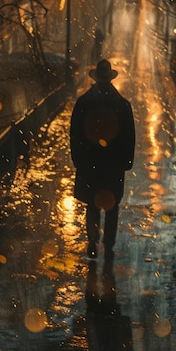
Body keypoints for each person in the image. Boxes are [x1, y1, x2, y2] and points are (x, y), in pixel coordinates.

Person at [70, 59, 135, 258]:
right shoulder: (122, 105)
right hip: (113, 164)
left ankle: (92, 239)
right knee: (112, 205)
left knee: (92, 204)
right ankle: (108, 244)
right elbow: (129, 136)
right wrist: (126, 161)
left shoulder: (84, 102)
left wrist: (78, 159)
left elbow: (76, 134)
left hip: (91, 163)